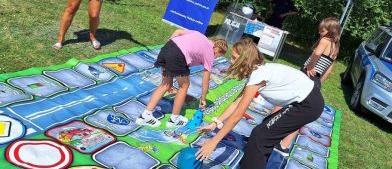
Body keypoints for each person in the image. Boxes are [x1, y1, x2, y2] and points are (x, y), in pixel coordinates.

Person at [196, 38, 324, 168]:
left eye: (234, 58)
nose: (231, 60)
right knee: (265, 131)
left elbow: (237, 115)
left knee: (260, 135)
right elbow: (236, 103)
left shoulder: (258, 75)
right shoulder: (256, 71)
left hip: (308, 104)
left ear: (245, 60)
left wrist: (214, 141)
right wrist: (214, 124)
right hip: (306, 100)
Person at [272, 17, 342, 155]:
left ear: (330, 31)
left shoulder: (325, 41)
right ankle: (284, 146)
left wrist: (310, 66)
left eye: (322, 30)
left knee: (282, 99)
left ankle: (267, 128)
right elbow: (329, 69)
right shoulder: (335, 47)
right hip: (315, 80)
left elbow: (316, 54)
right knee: (299, 113)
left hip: (306, 76)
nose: (320, 33)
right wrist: (319, 82)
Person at [136, 29, 228, 128]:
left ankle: (145, 116)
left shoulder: (199, 35)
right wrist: (203, 98)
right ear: (218, 50)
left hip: (168, 47)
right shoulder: (210, 54)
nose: (216, 58)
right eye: (218, 56)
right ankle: (174, 119)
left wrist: (170, 47)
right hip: (178, 56)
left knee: (165, 84)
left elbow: (178, 31)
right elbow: (205, 81)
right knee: (184, 86)